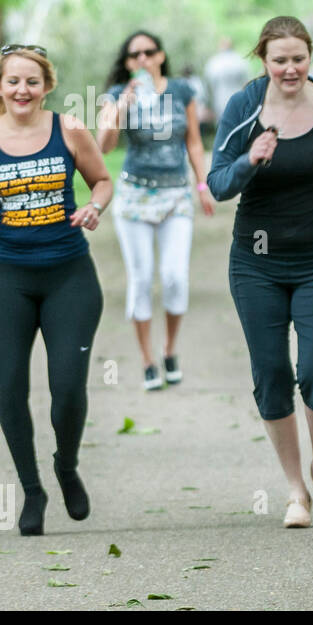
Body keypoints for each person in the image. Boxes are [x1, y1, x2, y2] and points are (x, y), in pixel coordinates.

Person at [206, 16, 313, 529]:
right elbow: (218, 185)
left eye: (298, 58)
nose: (290, 68)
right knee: (272, 376)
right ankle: (294, 489)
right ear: (263, 60)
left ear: (311, 57)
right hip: (256, 263)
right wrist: (251, 160)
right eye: (279, 60)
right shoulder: (244, 107)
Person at [0, 44, 113, 536]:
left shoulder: (70, 130)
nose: (23, 90)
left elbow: (102, 181)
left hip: (70, 278)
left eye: (32, 82)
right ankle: (33, 489)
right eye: (13, 81)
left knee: (66, 389)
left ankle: (66, 464)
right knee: (9, 393)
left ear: (46, 86)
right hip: (7, 281)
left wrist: (94, 208)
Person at [97, 31, 215, 391]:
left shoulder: (182, 91)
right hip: (135, 197)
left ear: (161, 55)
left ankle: (170, 349)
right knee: (142, 278)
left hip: (176, 195)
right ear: (128, 63)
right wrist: (123, 105)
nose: (143, 59)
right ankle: (147, 359)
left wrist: (202, 184)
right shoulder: (118, 95)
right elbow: (104, 145)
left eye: (149, 52)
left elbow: (193, 142)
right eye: (135, 55)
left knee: (175, 276)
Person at [204, 38, 250, 132]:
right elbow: (248, 83)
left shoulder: (214, 62)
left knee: (223, 132)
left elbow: (208, 87)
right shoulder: (241, 61)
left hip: (220, 105)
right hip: (239, 104)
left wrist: (208, 105)